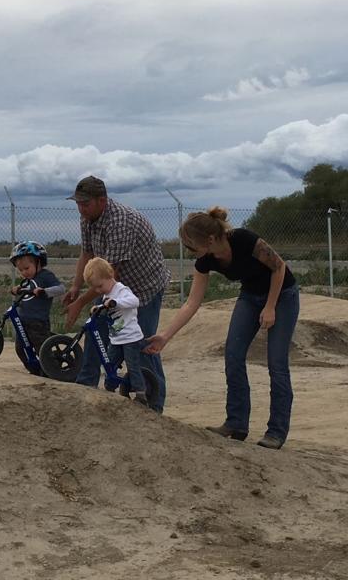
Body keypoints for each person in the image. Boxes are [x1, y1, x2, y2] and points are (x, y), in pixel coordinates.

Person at [144, 207, 300, 449]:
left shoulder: (244, 240)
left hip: (283, 296)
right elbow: (191, 302)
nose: (190, 252)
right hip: (250, 296)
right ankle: (236, 423)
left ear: (209, 239)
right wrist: (165, 335)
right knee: (233, 356)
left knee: (276, 364)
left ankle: (276, 432)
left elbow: (279, 267)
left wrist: (270, 307)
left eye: (191, 246)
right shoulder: (205, 261)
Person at [61, 175, 170, 413]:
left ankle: (154, 406)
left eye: (85, 204)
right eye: (78, 203)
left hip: (143, 288)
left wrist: (80, 303)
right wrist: (75, 287)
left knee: (141, 344)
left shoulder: (121, 222)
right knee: (95, 329)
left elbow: (113, 274)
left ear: (102, 200)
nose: (80, 209)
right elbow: (87, 253)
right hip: (110, 286)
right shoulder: (88, 217)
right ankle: (86, 387)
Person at [82, 257, 148, 407]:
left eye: (100, 286)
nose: (98, 291)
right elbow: (107, 310)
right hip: (116, 339)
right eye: (95, 289)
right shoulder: (106, 295)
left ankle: (141, 393)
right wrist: (97, 309)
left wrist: (116, 302)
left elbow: (134, 301)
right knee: (109, 364)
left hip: (131, 338)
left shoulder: (121, 290)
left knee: (132, 366)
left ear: (109, 275)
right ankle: (109, 389)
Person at [8, 241, 65, 374]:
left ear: (39, 262)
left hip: (38, 322)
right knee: (20, 348)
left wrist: (44, 291)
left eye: (27, 268)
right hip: (23, 321)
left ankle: (53, 371)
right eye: (20, 270)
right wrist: (17, 289)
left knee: (42, 348)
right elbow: (25, 290)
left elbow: (61, 288)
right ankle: (35, 371)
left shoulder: (45, 276)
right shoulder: (28, 280)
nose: (24, 273)